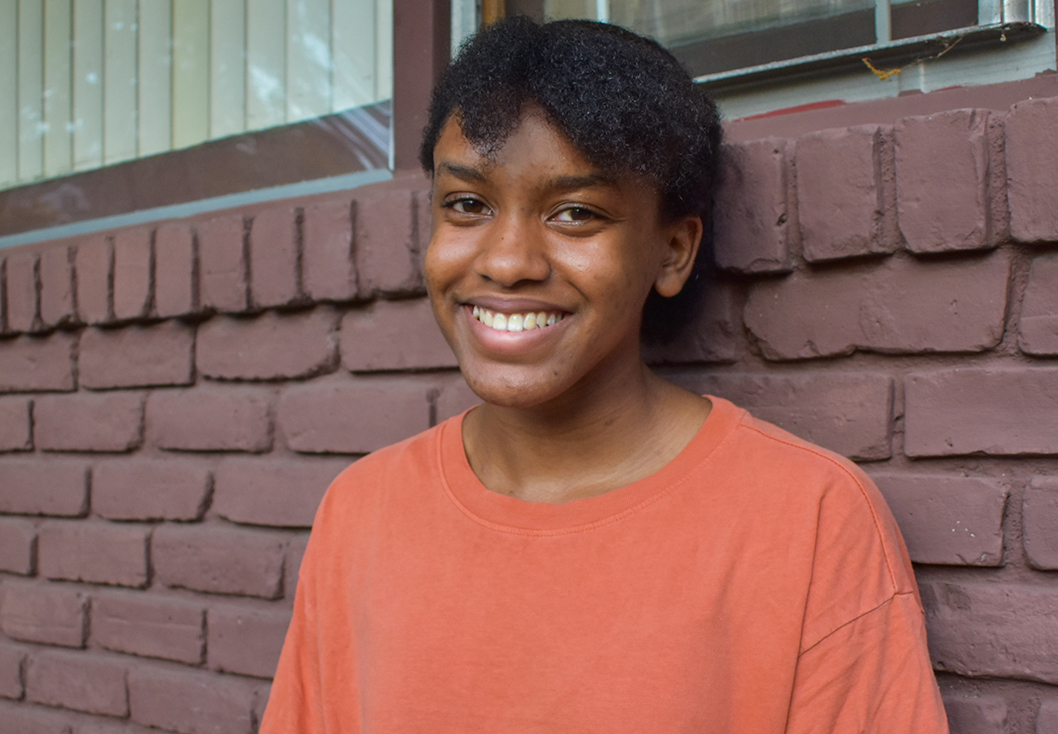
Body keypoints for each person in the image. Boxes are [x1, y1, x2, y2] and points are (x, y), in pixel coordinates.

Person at [260, 17, 948, 734]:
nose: (507, 260)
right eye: (467, 204)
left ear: (673, 252)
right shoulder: (361, 514)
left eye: (576, 213)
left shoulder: (807, 522)